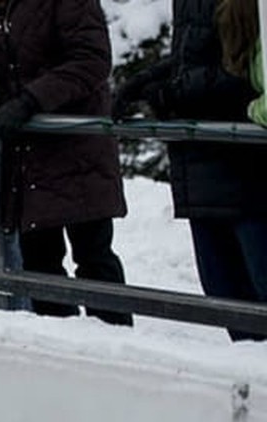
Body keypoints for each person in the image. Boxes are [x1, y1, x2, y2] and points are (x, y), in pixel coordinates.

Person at [114, 0, 266, 340]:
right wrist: (149, 79)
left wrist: (173, 93)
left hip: (246, 170)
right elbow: (197, 55)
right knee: (227, 300)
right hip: (203, 169)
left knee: (254, 298)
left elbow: (249, 69)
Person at [0, 0, 132, 326]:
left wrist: (31, 100)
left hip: (77, 150)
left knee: (94, 260)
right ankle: (58, 350)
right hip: (29, 156)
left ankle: (114, 347)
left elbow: (91, 59)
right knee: (40, 264)